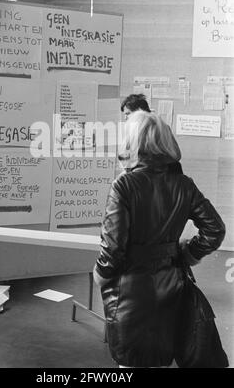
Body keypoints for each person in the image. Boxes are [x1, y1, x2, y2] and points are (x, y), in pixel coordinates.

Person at [93, 110, 226, 368]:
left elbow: (113, 247)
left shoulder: (124, 185)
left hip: (129, 290)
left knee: (130, 364)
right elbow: (215, 230)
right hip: (172, 284)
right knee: (160, 360)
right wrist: (189, 254)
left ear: (133, 142)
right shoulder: (184, 184)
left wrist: (100, 273)